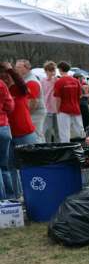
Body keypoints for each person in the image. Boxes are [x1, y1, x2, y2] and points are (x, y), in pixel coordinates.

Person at [2, 62, 38, 198]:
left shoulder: (19, 89)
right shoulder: (2, 90)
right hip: (8, 134)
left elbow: (22, 84)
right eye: (3, 76)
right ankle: (16, 197)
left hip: (25, 132)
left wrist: (11, 70)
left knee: (29, 165)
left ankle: (34, 194)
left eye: (8, 76)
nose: (6, 78)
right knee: (10, 167)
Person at [53, 62, 85, 142]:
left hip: (63, 109)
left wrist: (57, 109)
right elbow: (80, 95)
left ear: (60, 69)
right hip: (75, 108)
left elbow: (58, 98)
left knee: (64, 132)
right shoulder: (76, 81)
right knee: (80, 131)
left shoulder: (59, 82)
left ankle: (66, 150)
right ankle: (84, 147)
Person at [14, 60, 44, 143]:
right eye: (16, 67)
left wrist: (26, 114)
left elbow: (33, 101)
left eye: (19, 67)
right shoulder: (26, 80)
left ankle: (39, 154)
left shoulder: (31, 81)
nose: (16, 69)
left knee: (36, 135)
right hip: (34, 112)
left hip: (35, 113)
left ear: (26, 68)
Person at [0, 76, 15, 199]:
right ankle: (10, 199)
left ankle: (1, 200)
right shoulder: (1, 84)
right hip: (3, 128)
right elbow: (10, 106)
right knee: (4, 166)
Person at [40, 62, 59, 142]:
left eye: (53, 70)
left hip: (57, 109)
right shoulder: (42, 81)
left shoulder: (58, 80)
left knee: (58, 131)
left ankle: (59, 147)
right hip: (47, 109)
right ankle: (47, 147)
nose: (52, 72)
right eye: (50, 70)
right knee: (47, 131)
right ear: (46, 71)